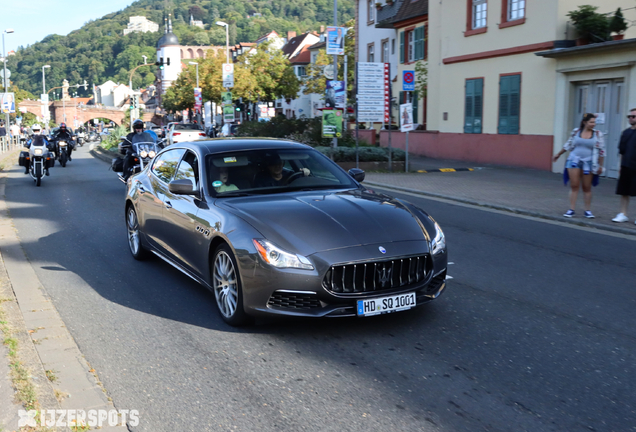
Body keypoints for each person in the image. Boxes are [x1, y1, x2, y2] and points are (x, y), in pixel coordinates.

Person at [553, 113, 606, 218]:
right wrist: (558, 154)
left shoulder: (598, 134)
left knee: (587, 187)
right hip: (574, 161)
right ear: (584, 122)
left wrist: (600, 165)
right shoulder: (576, 132)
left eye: (594, 122)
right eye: (591, 122)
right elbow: (568, 144)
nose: (593, 124)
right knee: (574, 185)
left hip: (589, 162)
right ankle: (571, 209)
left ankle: (587, 210)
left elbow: (602, 151)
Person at [611, 108, 636, 224]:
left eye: (633, 116)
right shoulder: (625, 133)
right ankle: (623, 214)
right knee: (624, 192)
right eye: (629, 116)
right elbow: (622, 151)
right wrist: (621, 166)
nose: (631, 118)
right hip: (626, 166)